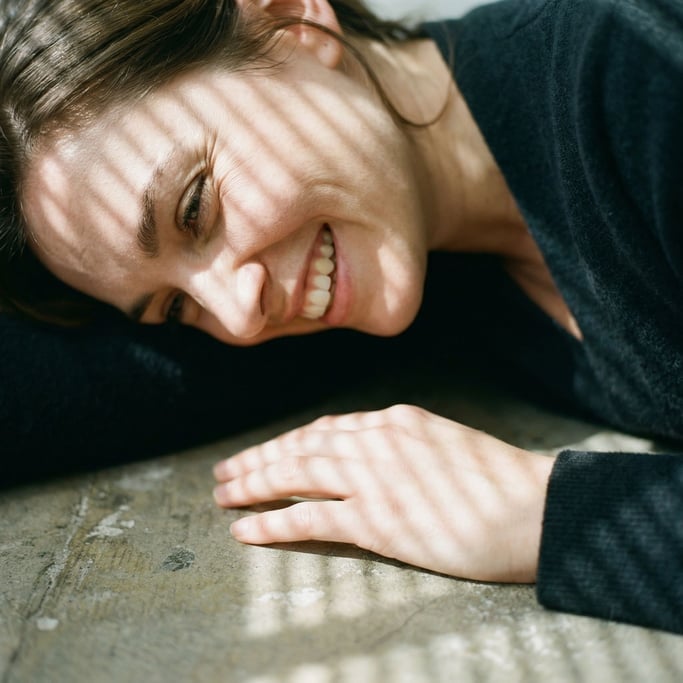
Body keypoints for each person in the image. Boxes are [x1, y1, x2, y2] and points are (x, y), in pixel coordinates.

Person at [1, 0, 681, 635]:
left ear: (290, 20)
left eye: (195, 207)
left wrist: (544, 513)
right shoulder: (428, 265)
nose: (238, 319)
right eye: (175, 307)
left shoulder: (633, 74)